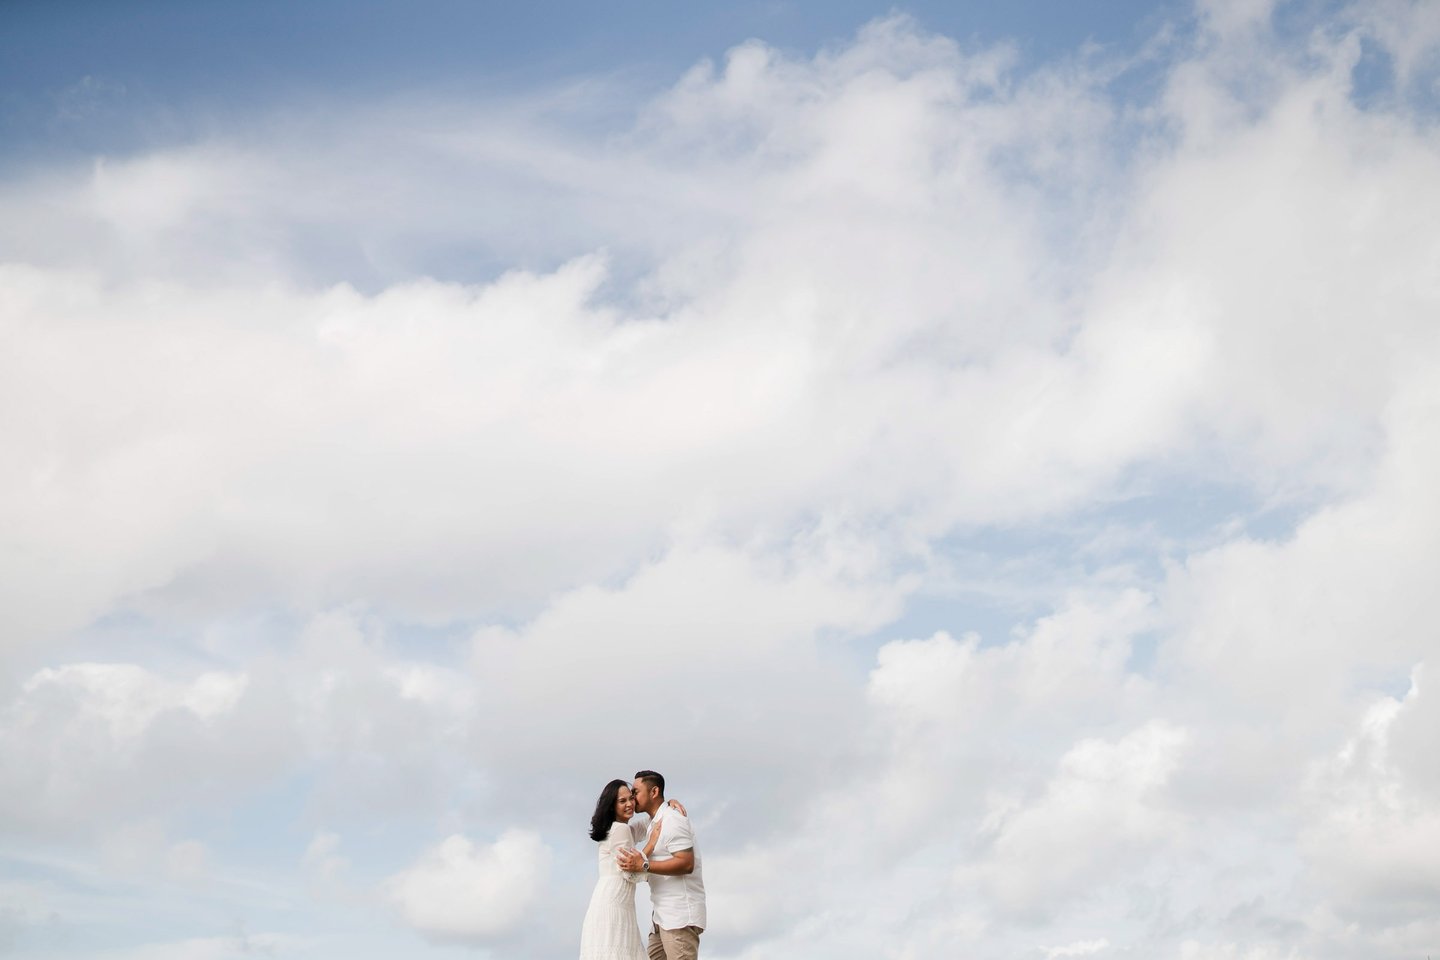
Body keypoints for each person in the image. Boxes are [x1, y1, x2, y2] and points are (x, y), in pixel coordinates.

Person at [578, 779, 683, 960]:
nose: (630, 804)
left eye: (631, 798)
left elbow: (645, 826)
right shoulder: (620, 830)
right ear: (612, 806)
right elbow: (631, 873)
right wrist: (652, 843)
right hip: (614, 903)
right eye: (622, 801)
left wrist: (666, 805)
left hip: (610, 902)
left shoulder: (618, 828)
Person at [616, 770, 706, 960]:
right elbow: (622, 831)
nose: (632, 798)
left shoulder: (672, 820)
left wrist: (645, 866)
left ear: (654, 792)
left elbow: (686, 863)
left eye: (635, 792)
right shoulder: (653, 821)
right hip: (661, 919)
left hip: (679, 918)